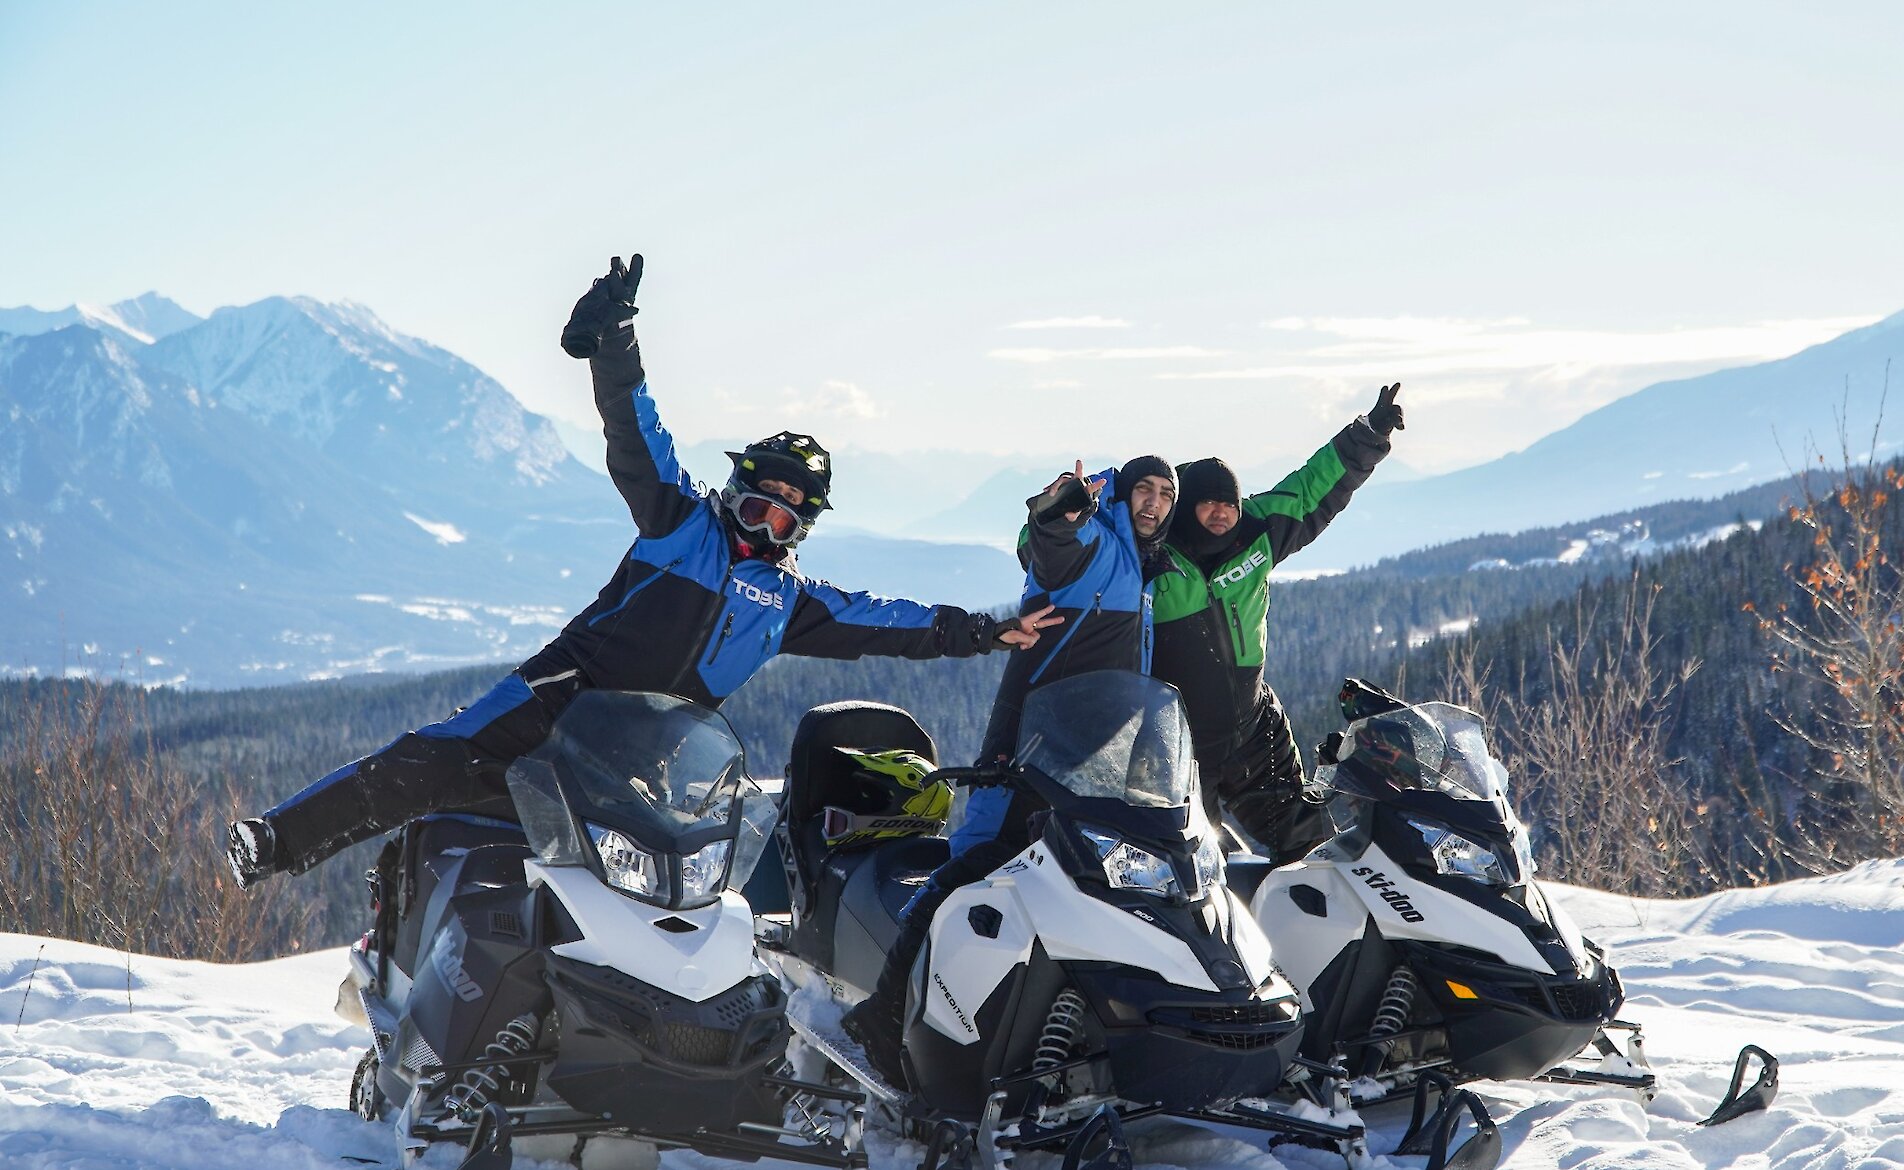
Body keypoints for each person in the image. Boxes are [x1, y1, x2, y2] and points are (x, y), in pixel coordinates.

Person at [224, 255, 1059, 887]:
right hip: (561, 691)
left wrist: (987, 631)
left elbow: (895, 622)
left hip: (655, 748)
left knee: (643, 874)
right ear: (730, 493)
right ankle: (276, 841)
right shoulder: (679, 522)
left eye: (784, 516)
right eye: (754, 502)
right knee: (432, 757)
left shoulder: (789, 603)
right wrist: (613, 341)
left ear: (801, 527)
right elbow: (638, 432)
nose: (763, 523)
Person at [842, 455, 1177, 1085]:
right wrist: (1061, 508)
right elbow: (1054, 543)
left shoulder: (1143, 567)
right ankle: (883, 1014)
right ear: (1121, 497)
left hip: (1090, 757)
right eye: (1144, 490)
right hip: (1029, 738)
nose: (1155, 502)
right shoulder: (1099, 547)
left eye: (1166, 494)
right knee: (980, 860)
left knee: (1072, 881)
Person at [1150, 383, 1402, 864]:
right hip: (1178, 742)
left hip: (1251, 727)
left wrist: (1368, 434)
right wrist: (1056, 519)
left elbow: (1312, 487)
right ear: (1186, 507)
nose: (1221, 512)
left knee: (1310, 849)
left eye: (1229, 502)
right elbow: (1069, 554)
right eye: (1208, 503)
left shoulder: (1259, 532)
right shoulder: (1153, 551)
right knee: (1191, 868)